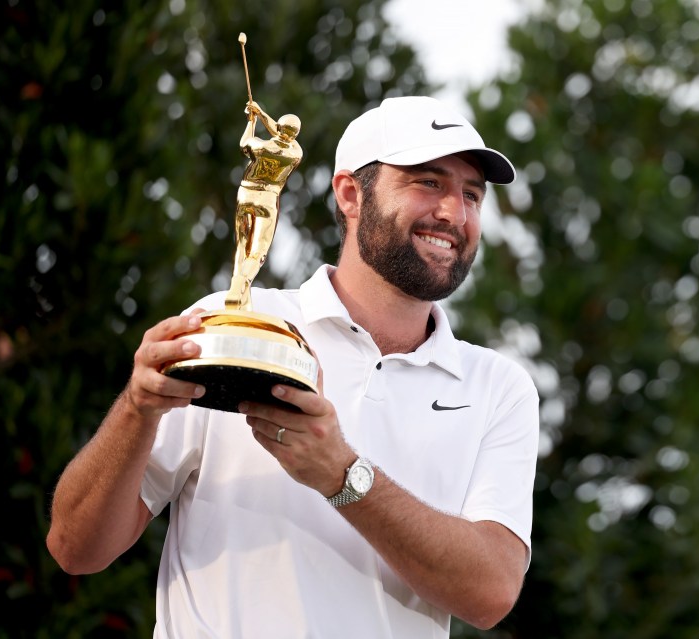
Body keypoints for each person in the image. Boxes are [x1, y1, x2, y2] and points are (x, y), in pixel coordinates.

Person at [47, 96, 540, 638]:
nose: (454, 213)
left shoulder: (498, 387)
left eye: (471, 195)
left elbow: (491, 593)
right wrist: (136, 410)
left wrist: (341, 474)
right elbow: (75, 549)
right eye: (428, 182)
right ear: (351, 194)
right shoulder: (227, 327)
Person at [226, 100, 303, 310]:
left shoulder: (261, 146)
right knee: (257, 253)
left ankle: (238, 286)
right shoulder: (295, 154)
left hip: (246, 193)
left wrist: (252, 120)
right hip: (268, 199)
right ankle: (243, 281)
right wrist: (260, 113)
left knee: (242, 245)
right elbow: (282, 133)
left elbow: (244, 143)